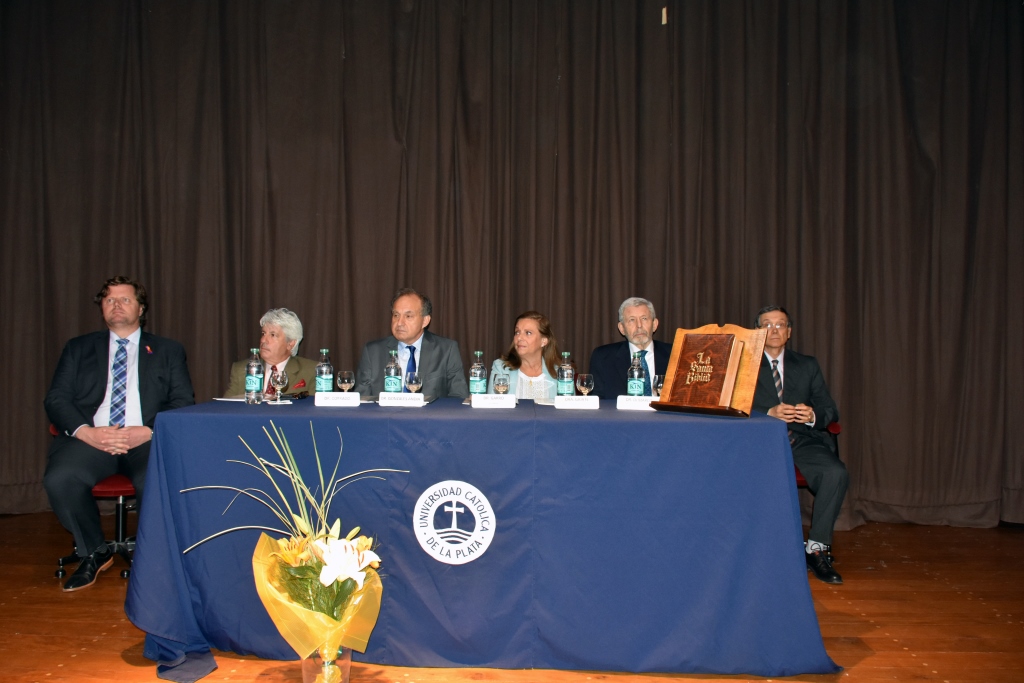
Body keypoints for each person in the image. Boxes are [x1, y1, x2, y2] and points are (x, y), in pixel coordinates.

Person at [44, 276, 195, 592]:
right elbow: (56, 399)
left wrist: (149, 431)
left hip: (143, 440)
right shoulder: (78, 348)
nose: (116, 305)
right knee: (61, 478)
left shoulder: (167, 350)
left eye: (125, 299)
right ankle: (94, 551)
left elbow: (183, 401)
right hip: (92, 438)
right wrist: (87, 432)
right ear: (101, 307)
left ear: (141, 308)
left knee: (153, 479)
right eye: (109, 299)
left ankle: (154, 558)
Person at [751, 305, 848, 585]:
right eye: (767, 324)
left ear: (789, 332)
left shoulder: (807, 365)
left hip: (801, 440)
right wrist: (767, 412)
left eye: (780, 325)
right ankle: (761, 553)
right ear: (757, 331)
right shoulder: (743, 364)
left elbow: (830, 411)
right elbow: (730, 405)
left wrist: (813, 415)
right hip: (759, 442)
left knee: (836, 473)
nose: (774, 330)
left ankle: (816, 550)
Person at [356, 288, 468, 398]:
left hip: (429, 416)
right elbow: (362, 399)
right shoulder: (373, 352)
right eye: (396, 315)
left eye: (408, 316)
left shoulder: (446, 350)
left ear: (425, 321)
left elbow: (458, 396)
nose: (399, 322)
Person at [589, 296, 673, 399]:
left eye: (644, 318)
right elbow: (597, 401)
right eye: (632, 320)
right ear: (622, 328)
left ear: (655, 324)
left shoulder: (675, 354)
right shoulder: (603, 357)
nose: (639, 325)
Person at [225, 308, 317, 397]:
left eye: (273, 335)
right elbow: (226, 408)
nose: (263, 340)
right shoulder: (241, 370)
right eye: (263, 333)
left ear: (290, 343)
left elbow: (317, 410)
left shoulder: (311, 371)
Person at [487, 311, 560, 400]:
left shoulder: (560, 372)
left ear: (543, 341)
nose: (519, 337)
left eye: (528, 333)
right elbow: (491, 408)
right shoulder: (501, 368)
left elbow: (570, 410)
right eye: (517, 332)